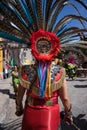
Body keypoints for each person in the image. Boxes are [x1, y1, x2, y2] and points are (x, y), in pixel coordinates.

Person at [15, 41, 73, 130]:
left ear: (33, 51)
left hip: (30, 111)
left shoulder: (25, 70)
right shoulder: (59, 72)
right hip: (50, 114)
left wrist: (19, 108)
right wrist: (68, 114)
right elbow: (65, 99)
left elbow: (19, 95)